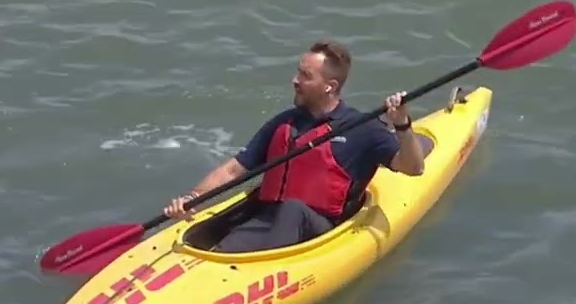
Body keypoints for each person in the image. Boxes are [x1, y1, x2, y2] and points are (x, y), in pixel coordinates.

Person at [163, 39, 427, 252]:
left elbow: (414, 168)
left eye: (305, 75)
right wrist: (192, 198)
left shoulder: (362, 128)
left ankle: (262, 269)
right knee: (233, 235)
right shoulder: (285, 123)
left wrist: (402, 124)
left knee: (293, 209)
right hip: (268, 220)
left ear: (329, 86)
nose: (295, 79)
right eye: (298, 71)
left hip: (319, 229)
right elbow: (233, 170)